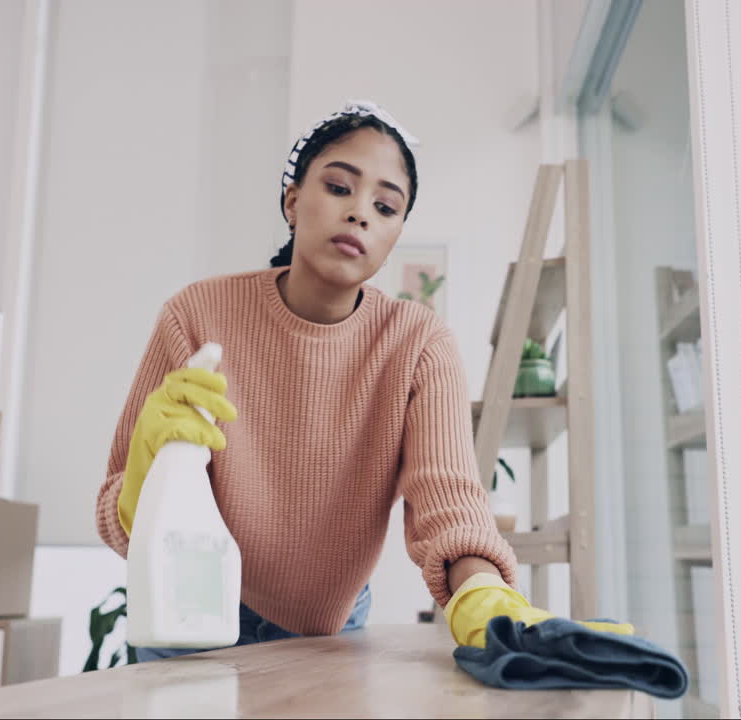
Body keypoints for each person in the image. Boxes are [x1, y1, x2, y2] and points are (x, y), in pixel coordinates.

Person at [96, 100, 589, 661]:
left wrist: (483, 594)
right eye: (338, 188)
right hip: (188, 613)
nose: (360, 214)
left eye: (385, 206)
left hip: (333, 632)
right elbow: (117, 515)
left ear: (396, 232)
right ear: (292, 201)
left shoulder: (419, 344)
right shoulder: (196, 315)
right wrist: (147, 474)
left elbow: (447, 501)